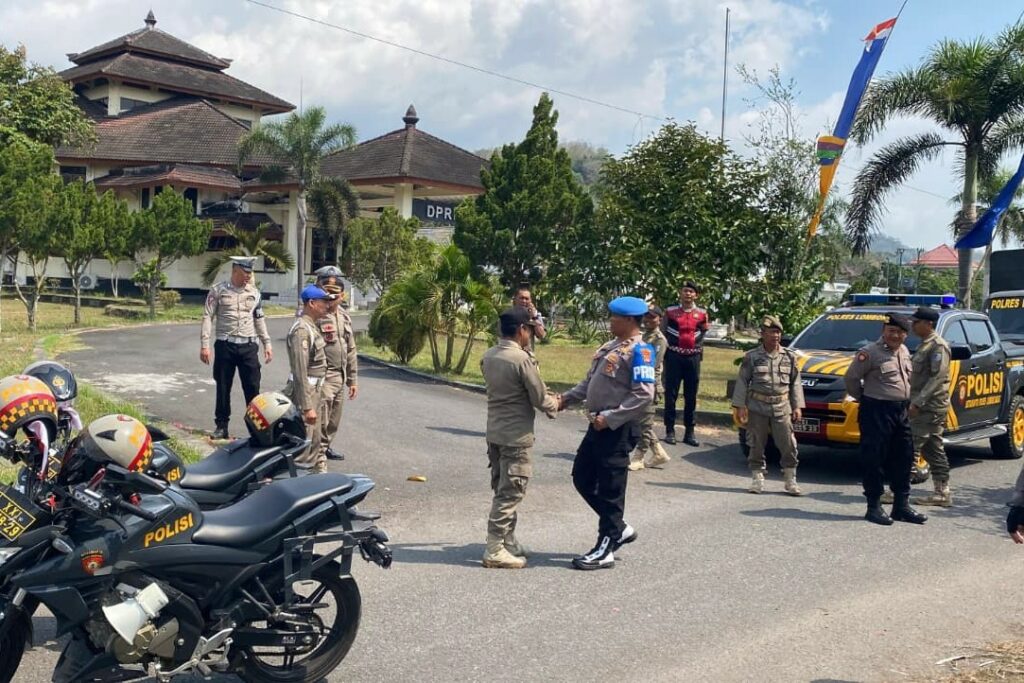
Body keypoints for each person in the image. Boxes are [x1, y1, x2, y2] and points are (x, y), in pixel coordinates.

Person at [558, 296, 655, 570]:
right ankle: (618, 527)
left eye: (615, 317)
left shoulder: (641, 351)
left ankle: (606, 546)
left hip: (617, 428)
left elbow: (644, 395)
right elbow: (590, 383)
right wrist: (566, 399)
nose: (611, 320)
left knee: (612, 489)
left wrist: (611, 417)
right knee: (582, 477)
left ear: (629, 320)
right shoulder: (610, 347)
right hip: (597, 425)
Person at [479, 306, 559, 569]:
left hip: (495, 432)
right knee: (510, 493)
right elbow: (538, 396)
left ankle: (508, 540)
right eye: (529, 329)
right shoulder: (522, 359)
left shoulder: (489, 356)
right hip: (516, 436)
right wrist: (555, 405)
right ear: (522, 330)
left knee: (502, 486)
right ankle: (494, 548)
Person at [843, 314, 928, 526]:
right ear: (884, 330)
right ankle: (873, 506)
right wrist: (865, 398)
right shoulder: (870, 353)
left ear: (905, 335)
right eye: (891, 331)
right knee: (874, 458)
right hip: (876, 410)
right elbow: (851, 378)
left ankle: (901, 506)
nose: (895, 335)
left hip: (901, 410)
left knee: (904, 457)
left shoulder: (904, 351)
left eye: (900, 332)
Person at [200, 256, 272, 440]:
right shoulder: (218, 290)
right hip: (226, 345)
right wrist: (205, 344)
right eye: (245, 272)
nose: (248, 276)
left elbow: (259, 318)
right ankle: (221, 426)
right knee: (223, 387)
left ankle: (256, 429)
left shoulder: (254, 293)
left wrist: (267, 343)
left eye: (250, 273)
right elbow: (208, 316)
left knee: (253, 388)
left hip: (248, 346)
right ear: (235, 270)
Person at [732, 315, 805, 495]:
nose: (776, 336)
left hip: (782, 406)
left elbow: (795, 383)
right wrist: (740, 406)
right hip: (758, 407)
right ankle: (757, 478)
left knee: (788, 443)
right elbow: (742, 381)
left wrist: (797, 406)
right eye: (772, 332)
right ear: (763, 334)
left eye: (778, 333)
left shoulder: (790, 357)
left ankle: (790, 479)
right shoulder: (752, 357)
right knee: (756, 443)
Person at [284, 284, 334, 473]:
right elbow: (300, 371)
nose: (327, 306)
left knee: (315, 440)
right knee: (303, 442)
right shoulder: (302, 331)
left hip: (315, 391)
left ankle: (309, 479)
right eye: (324, 302)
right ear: (312, 303)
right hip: (305, 393)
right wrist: (307, 406)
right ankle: (295, 481)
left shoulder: (312, 327)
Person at [908, 307, 953, 507]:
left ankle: (898, 489)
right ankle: (942, 492)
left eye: (916, 322)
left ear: (929, 324)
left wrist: (918, 402)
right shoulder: (924, 345)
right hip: (924, 405)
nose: (913, 325)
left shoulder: (938, 346)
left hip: (929, 406)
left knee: (911, 445)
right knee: (933, 449)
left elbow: (938, 377)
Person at [315, 273, 358, 462]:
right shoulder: (317, 317)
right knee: (321, 417)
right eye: (328, 296)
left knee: (334, 418)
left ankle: (326, 447)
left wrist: (352, 379)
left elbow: (351, 349)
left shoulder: (345, 318)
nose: (332, 300)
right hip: (324, 375)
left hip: (340, 375)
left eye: (335, 296)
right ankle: (317, 452)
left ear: (342, 296)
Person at [662, 281, 708, 446]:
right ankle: (670, 430)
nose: (688, 294)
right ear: (680, 293)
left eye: (691, 291)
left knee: (691, 395)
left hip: (692, 359)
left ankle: (690, 432)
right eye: (685, 291)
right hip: (674, 357)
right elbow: (663, 332)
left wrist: (697, 349)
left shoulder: (702, 313)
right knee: (671, 394)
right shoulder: (670, 312)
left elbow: (703, 332)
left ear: (696, 295)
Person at [629, 304, 671, 471]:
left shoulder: (659, 339)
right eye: (646, 316)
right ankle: (659, 453)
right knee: (641, 422)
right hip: (637, 382)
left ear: (659, 319)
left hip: (650, 384)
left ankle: (639, 456)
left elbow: (653, 363)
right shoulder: (643, 336)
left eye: (652, 317)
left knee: (644, 424)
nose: (648, 320)